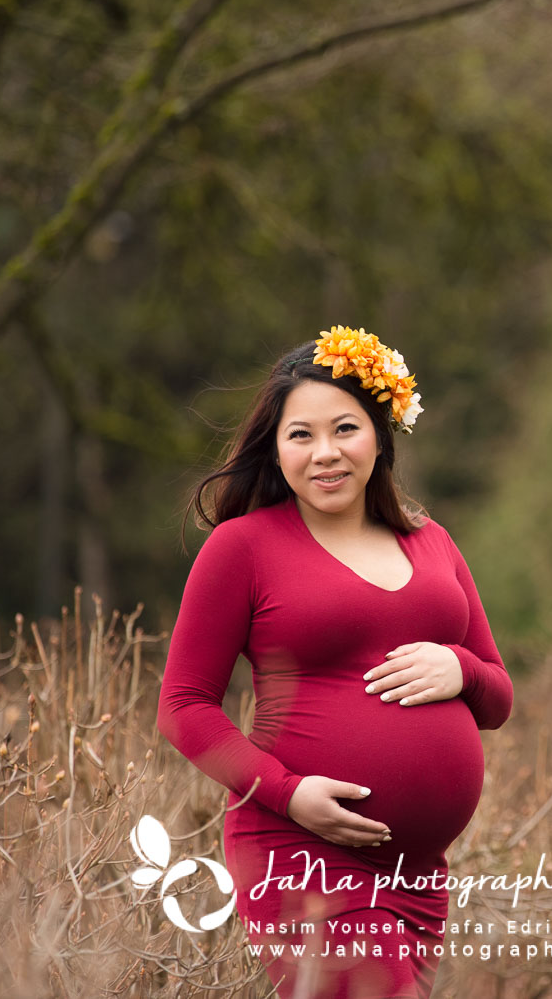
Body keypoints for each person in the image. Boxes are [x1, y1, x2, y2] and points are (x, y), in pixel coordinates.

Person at [158, 326, 514, 999]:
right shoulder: (243, 548)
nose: (325, 453)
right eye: (301, 435)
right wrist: (287, 792)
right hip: (300, 853)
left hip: (418, 877)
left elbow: (497, 698)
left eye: (344, 428)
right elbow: (182, 706)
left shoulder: (431, 541)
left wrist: (460, 668)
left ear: (380, 436)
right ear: (277, 447)